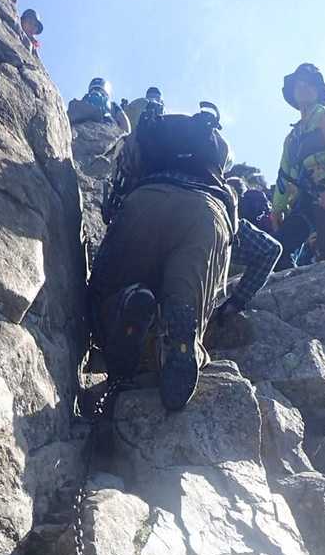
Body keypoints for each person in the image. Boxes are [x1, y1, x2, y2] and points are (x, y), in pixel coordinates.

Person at [90, 105, 280, 411]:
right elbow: (270, 250)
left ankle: (128, 301)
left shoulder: (148, 157)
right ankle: (181, 341)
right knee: (184, 304)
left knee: (107, 294)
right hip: (207, 218)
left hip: (144, 202)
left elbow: (112, 205)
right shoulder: (219, 191)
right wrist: (234, 303)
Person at [272, 63, 325, 268]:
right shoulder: (291, 138)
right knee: (278, 249)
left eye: (309, 84)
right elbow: (284, 174)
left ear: (318, 91)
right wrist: (277, 208)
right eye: (299, 85)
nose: (303, 88)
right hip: (301, 199)